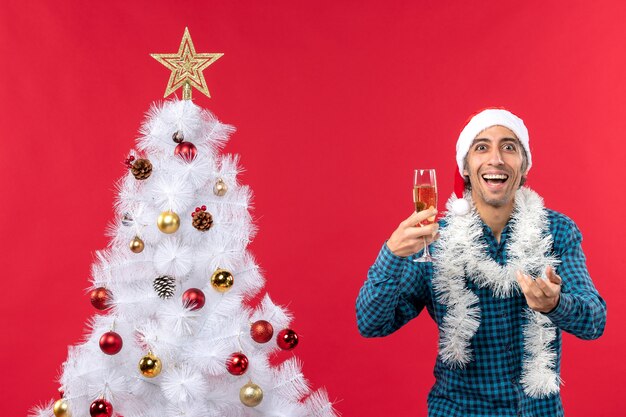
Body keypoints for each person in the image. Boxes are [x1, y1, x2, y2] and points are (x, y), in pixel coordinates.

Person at [355, 108, 606, 417]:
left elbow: (594, 322)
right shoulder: (435, 240)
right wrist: (391, 255)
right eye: (482, 147)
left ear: (524, 166)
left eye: (509, 147)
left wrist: (555, 304)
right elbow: (371, 324)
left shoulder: (557, 232)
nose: (496, 158)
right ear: (465, 166)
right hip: (459, 410)